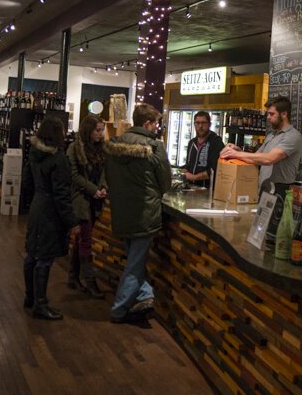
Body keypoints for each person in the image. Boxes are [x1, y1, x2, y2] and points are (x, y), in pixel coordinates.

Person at [104, 103, 171, 323]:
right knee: (135, 265)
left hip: (121, 210)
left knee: (134, 259)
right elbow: (165, 181)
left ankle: (145, 295)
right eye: (156, 124)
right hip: (144, 212)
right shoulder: (154, 146)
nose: (157, 128)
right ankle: (119, 310)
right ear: (148, 123)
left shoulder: (114, 144)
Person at [22, 116, 80, 320]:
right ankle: (41, 304)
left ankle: (30, 297)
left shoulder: (34, 154)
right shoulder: (59, 159)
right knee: (45, 258)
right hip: (50, 212)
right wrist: (72, 222)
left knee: (31, 253)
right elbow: (62, 195)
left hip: (37, 206)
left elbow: (26, 181)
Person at [219, 96, 302, 197]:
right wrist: (238, 150)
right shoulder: (271, 135)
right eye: (268, 114)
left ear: (284, 114)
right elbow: (257, 157)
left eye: (272, 114)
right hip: (264, 190)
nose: (268, 117)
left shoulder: (292, 136)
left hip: (281, 191)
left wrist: (236, 154)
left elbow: (269, 159)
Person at [66, 115, 107, 299]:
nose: (100, 133)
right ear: (88, 130)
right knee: (86, 241)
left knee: (81, 238)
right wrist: (93, 190)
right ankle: (91, 283)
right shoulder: (74, 148)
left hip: (95, 200)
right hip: (80, 199)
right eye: (97, 130)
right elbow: (73, 175)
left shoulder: (101, 149)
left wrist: (104, 187)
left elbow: (106, 172)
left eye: (102, 130)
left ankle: (73, 277)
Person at [182, 111, 224, 188]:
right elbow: (189, 164)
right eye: (197, 123)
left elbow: (215, 169)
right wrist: (184, 170)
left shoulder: (216, 143)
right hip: (190, 188)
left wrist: (194, 177)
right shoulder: (191, 143)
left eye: (203, 123)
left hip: (208, 190)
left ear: (209, 125)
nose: (200, 126)